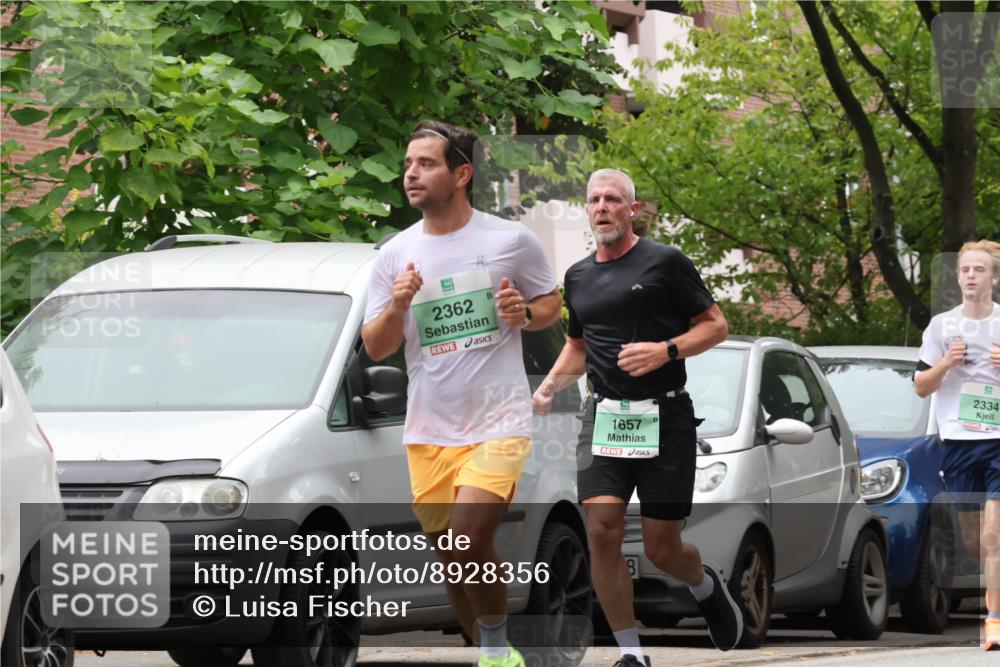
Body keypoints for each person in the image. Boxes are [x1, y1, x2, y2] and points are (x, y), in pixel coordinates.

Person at [362, 121, 563, 667]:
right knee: (452, 559)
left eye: (425, 163)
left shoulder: (509, 240)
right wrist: (398, 306)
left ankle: (498, 652)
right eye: (408, 164)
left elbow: (551, 305)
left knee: (467, 540)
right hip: (429, 429)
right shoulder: (394, 255)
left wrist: (524, 312)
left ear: (462, 174)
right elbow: (376, 347)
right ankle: (486, 647)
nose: (411, 173)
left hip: (499, 421)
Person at [532, 168, 741, 665]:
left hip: (665, 416)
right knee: (600, 527)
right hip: (603, 415)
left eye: (612, 199)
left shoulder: (665, 262)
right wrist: (547, 387)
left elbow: (716, 326)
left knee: (662, 548)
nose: (602, 206)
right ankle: (632, 653)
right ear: (586, 210)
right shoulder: (578, 276)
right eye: (593, 200)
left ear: (633, 209)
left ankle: (705, 584)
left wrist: (666, 350)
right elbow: (579, 346)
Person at [914, 239, 1000, 651]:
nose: (969, 276)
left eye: (979, 270)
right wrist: (946, 363)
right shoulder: (941, 327)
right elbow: (920, 387)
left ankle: (994, 620)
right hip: (959, 439)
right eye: (965, 269)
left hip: (999, 439)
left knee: (991, 535)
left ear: (994, 278)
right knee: (973, 541)